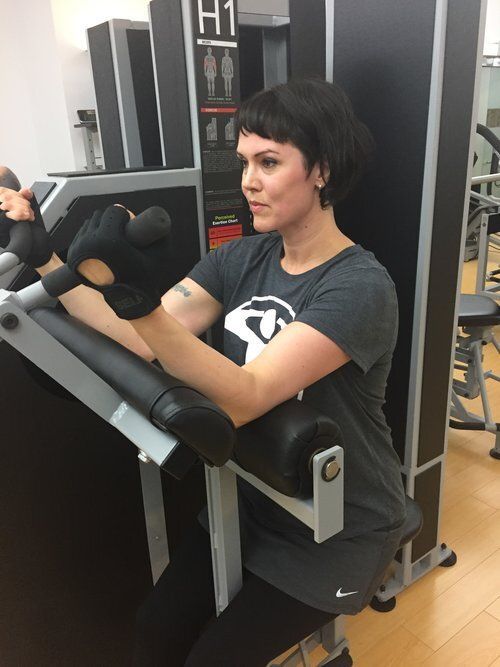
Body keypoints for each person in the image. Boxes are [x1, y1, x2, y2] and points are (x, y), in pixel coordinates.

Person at [0, 78, 406, 666]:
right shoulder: (239, 257)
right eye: (244, 162)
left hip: (339, 527)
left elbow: (247, 397)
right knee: (155, 632)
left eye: (269, 162)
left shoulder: (359, 287)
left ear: (321, 169)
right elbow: (129, 339)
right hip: (256, 500)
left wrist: (139, 302)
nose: (248, 181)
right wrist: (46, 257)